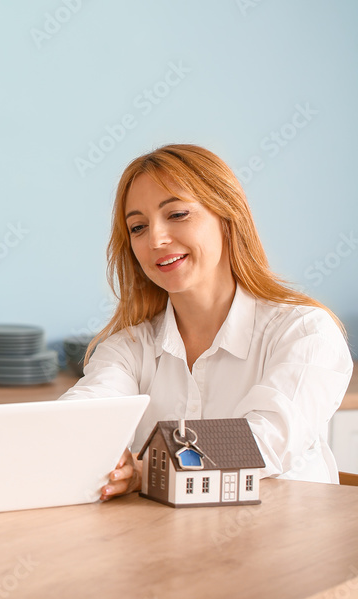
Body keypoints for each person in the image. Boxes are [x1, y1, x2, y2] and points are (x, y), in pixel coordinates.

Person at [60, 144, 352, 499]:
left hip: (286, 547)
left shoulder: (304, 332)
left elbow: (265, 441)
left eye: (177, 214)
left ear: (228, 217)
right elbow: (81, 417)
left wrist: (149, 468)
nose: (156, 239)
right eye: (138, 227)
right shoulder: (130, 347)